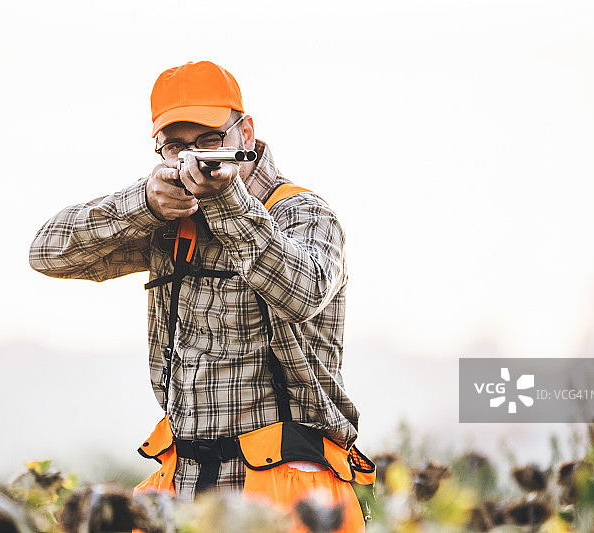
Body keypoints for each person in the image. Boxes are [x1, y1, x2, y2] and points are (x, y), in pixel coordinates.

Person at [29, 61, 373, 531]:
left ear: (245, 134)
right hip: (184, 485)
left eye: (208, 140)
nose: (193, 158)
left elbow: (305, 291)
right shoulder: (164, 216)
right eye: (175, 145)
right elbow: (47, 252)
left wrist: (226, 202)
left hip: (285, 490)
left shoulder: (304, 212)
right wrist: (144, 204)